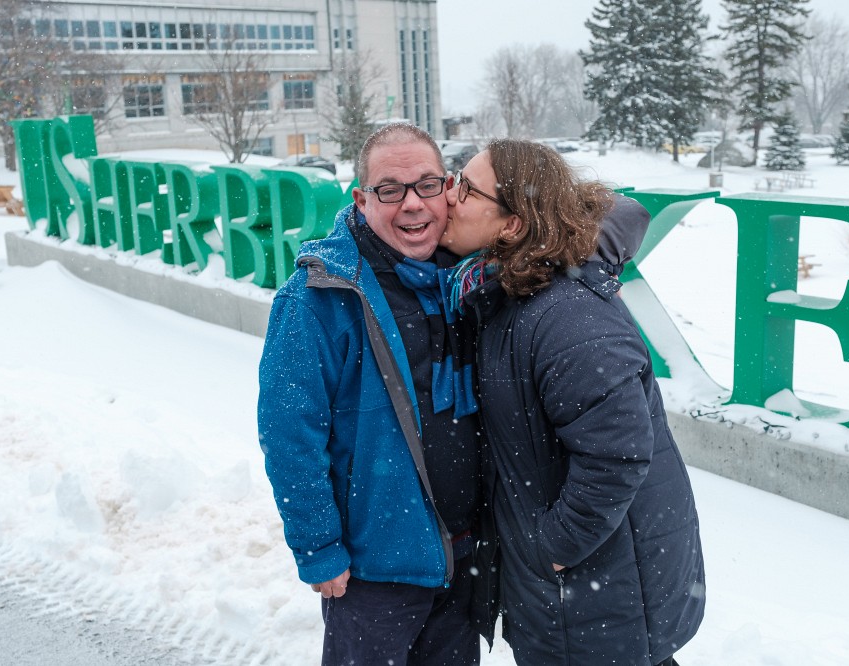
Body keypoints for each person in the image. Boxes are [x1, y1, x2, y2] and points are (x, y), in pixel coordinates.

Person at [441, 140, 706, 666]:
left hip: (598, 590)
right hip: (585, 591)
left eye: (467, 188)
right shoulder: (507, 291)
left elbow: (618, 454)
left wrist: (553, 550)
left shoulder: (564, 317)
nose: (449, 195)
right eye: (454, 177)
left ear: (512, 226)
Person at [257, 123, 483, 666]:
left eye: (427, 185)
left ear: (448, 188)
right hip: (372, 570)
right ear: (361, 200)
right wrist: (317, 547)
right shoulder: (317, 298)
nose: (412, 205)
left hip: (464, 554)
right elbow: (289, 432)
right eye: (390, 189)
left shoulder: (466, 279)